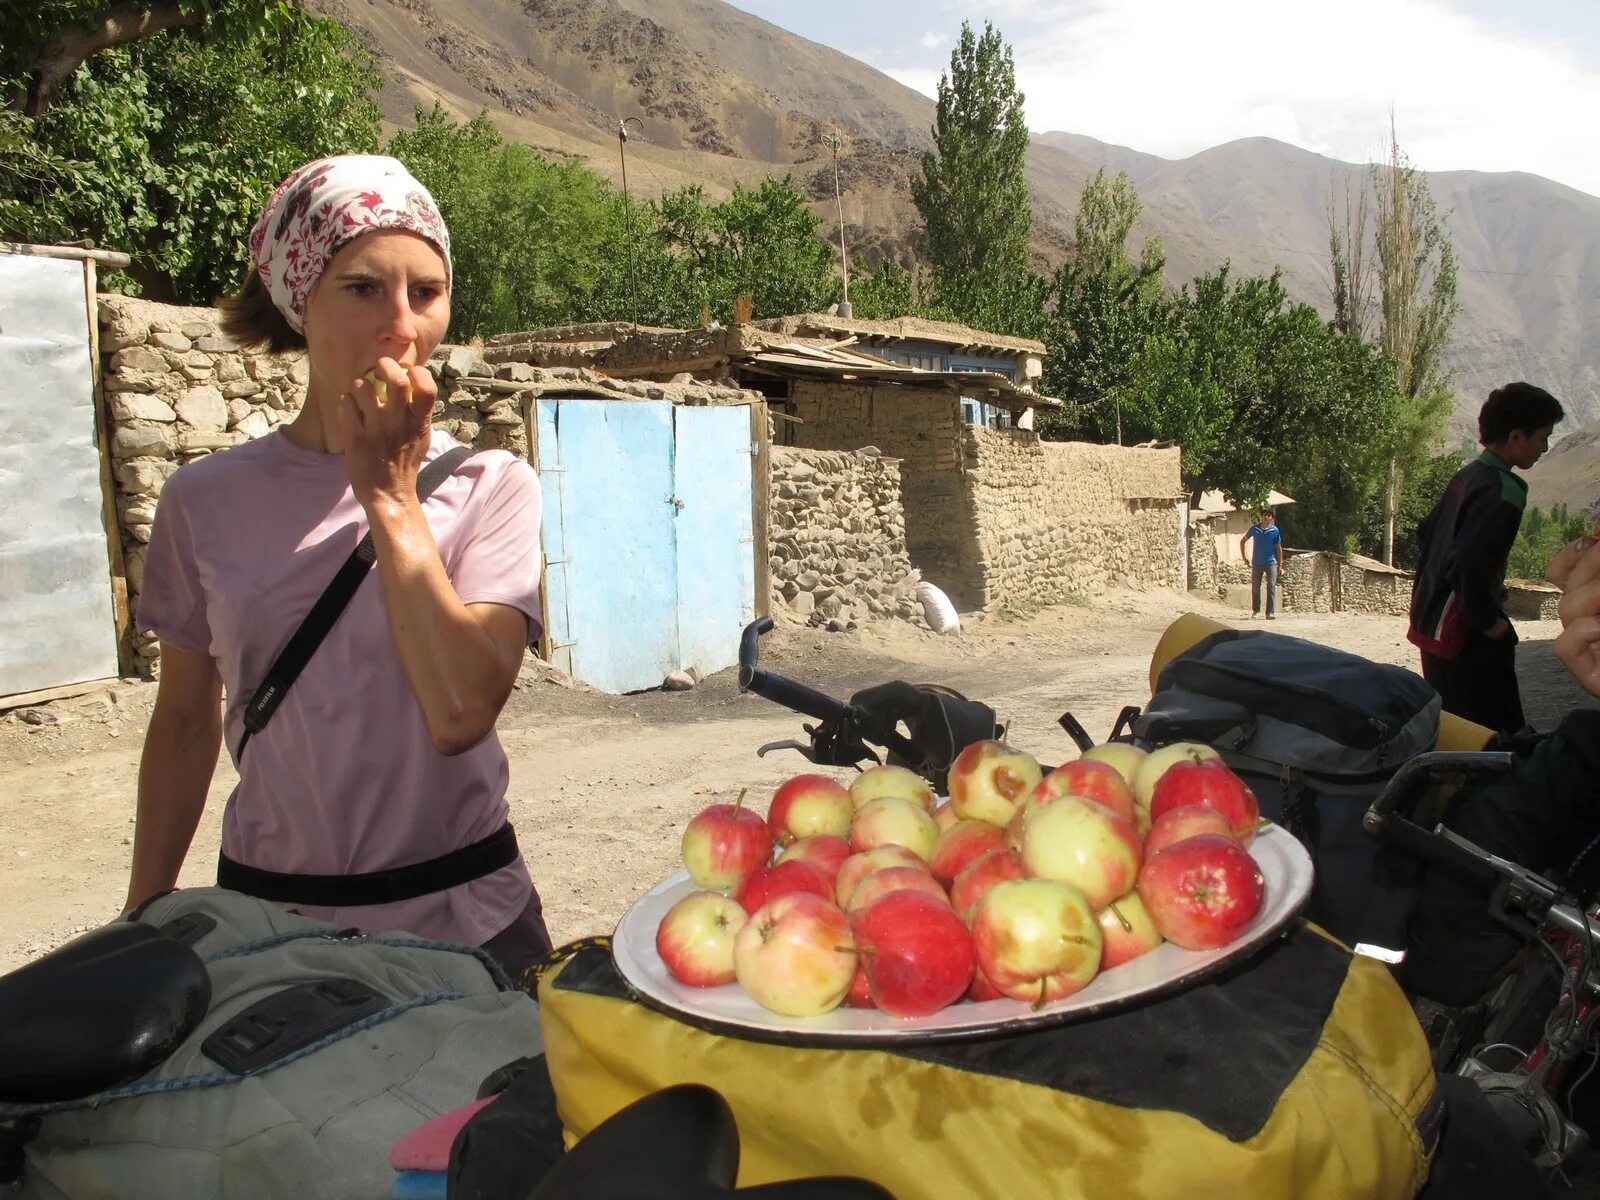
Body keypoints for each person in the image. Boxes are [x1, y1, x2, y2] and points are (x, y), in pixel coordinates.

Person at [125, 154, 553, 977]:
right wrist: (141, 920)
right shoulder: (204, 500)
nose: (404, 324)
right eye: (364, 288)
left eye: (426, 292)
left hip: (467, 927)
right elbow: (182, 723)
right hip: (268, 937)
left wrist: (390, 494)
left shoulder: (492, 486)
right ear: (300, 303)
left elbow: (463, 709)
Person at [1407, 382, 1565, 735]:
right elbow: (1469, 561)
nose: (1545, 447)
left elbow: (1426, 532)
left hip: (1430, 622)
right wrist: (1487, 622)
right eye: (1542, 437)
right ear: (1515, 437)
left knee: (1452, 729)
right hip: (1464, 632)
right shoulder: (1505, 491)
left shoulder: (1467, 476)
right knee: (1493, 734)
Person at [1240, 508, 1283, 619]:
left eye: (1269, 516)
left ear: (1272, 518)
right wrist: (1244, 557)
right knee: (1255, 588)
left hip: (1271, 562)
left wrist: (1280, 563)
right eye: (1265, 515)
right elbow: (1242, 541)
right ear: (1261, 516)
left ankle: (1270, 612)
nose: (1267, 517)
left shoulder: (1275, 530)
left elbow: (1278, 548)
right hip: (1257, 563)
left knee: (1271, 587)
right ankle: (1256, 610)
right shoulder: (1254, 529)